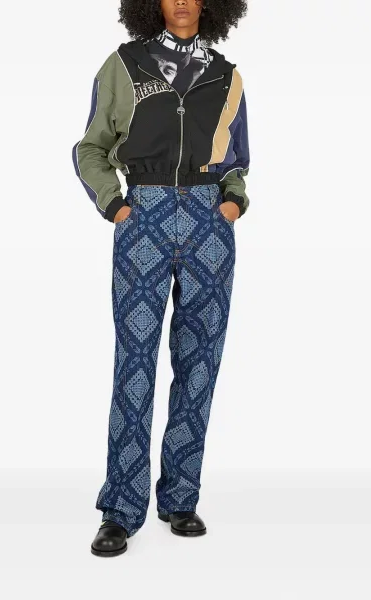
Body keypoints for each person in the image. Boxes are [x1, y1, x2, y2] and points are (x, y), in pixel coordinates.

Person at [72, 0, 249, 557]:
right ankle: (121, 510)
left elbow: (237, 157)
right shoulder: (125, 65)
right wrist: (117, 206)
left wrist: (232, 203)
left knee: (200, 362)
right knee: (135, 362)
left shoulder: (227, 76)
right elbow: (90, 148)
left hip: (208, 221)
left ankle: (180, 498)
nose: (182, 0)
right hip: (143, 217)